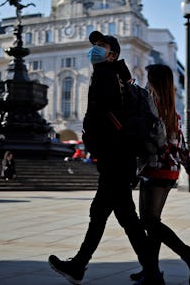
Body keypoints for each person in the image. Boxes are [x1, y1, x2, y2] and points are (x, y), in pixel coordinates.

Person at [48, 31, 162, 285]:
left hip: (115, 156)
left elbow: (102, 117)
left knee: (105, 213)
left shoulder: (105, 74)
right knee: (123, 216)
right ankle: (150, 271)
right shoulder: (120, 77)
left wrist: (95, 143)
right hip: (120, 157)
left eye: (101, 46)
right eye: (94, 45)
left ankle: (80, 265)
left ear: (112, 54)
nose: (95, 50)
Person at [132, 64, 190, 285]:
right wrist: (189, 166)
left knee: (149, 221)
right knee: (153, 221)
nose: (146, 82)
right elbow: (181, 142)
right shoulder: (171, 109)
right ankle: (151, 271)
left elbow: (155, 140)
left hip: (155, 168)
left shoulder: (152, 106)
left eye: (148, 78)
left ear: (154, 82)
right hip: (169, 171)